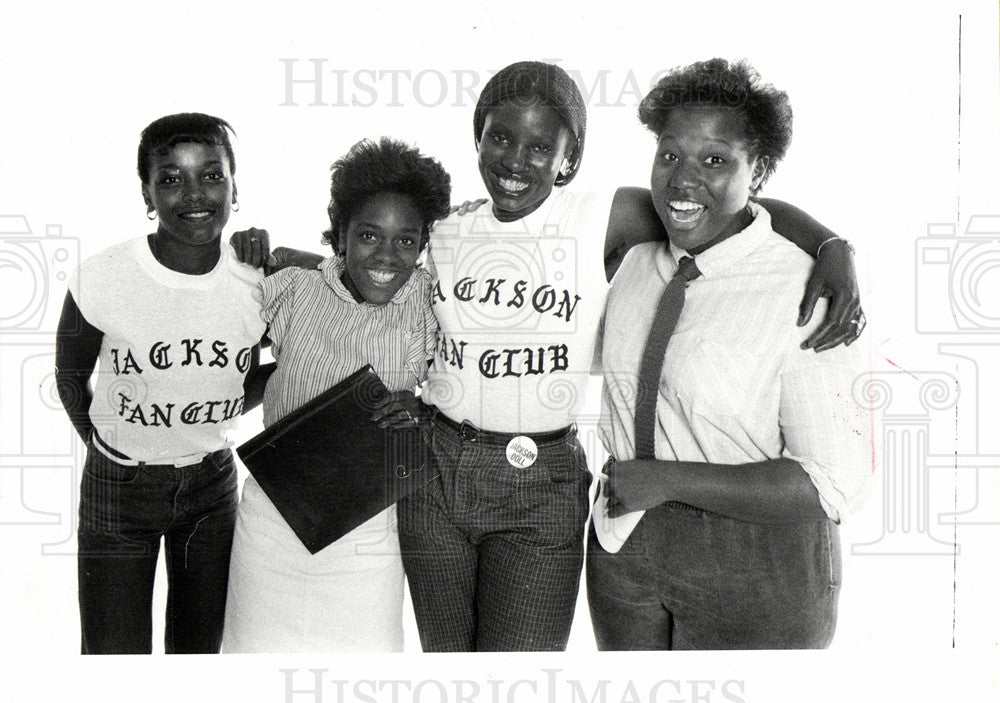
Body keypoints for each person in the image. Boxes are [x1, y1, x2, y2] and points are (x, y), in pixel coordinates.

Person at [235, 60, 864, 652]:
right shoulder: (447, 229)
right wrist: (288, 260)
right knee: (452, 672)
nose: (516, 160)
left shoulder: (598, 218)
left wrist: (834, 245)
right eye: (500, 139)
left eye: (542, 147)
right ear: (476, 139)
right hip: (436, 466)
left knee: (518, 684)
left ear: (571, 160)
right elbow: (373, 267)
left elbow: (727, 206)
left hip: (541, 483)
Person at [587, 58, 871, 650]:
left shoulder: (806, 293)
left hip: (756, 571)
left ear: (759, 168)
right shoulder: (635, 259)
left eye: (714, 160)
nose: (683, 180)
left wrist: (664, 480)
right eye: (670, 155)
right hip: (623, 551)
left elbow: (831, 486)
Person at [221, 137, 451, 653]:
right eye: (369, 235)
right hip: (272, 522)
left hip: (368, 530)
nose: (387, 256)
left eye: (406, 241)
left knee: (364, 679)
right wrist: (239, 253)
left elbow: (460, 388)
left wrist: (420, 407)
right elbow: (217, 371)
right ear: (340, 232)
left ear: (423, 244)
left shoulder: (426, 302)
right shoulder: (291, 287)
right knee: (252, 669)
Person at [54, 113, 267, 654]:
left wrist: (216, 409)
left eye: (212, 175)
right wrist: (109, 451)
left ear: (235, 186)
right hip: (118, 489)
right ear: (147, 192)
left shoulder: (259, 280)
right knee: (113, 658)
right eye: (171, 178)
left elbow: (276, 364)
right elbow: (69, 375)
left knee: (197, 656)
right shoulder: (103, 277)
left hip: (211, 488)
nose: (195, 193)